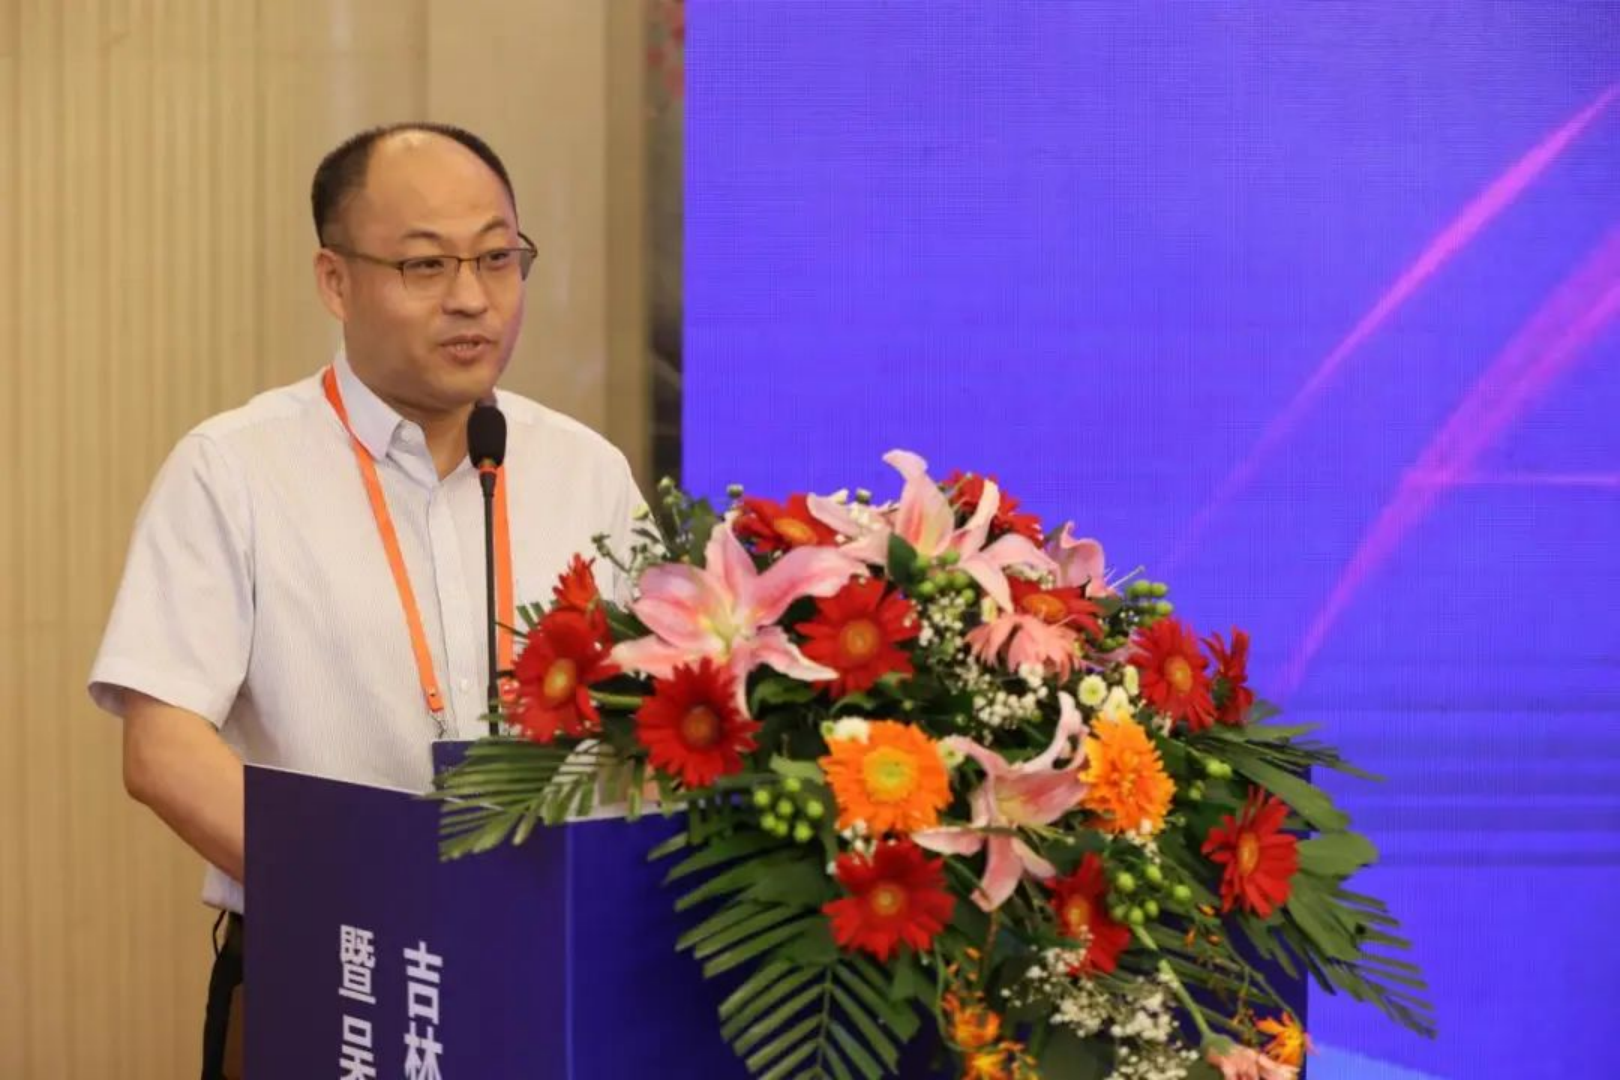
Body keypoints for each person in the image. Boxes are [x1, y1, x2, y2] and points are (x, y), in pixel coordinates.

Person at [87, 122, 643, 1080]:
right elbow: (163, 748)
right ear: (335, 281)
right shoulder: (236, 469)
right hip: (336, 971)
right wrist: (380, 896)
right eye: (425, 265)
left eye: (497, 258)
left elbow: (660, 717)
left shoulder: (585, 472)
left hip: (554, 976)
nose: (471, 297)